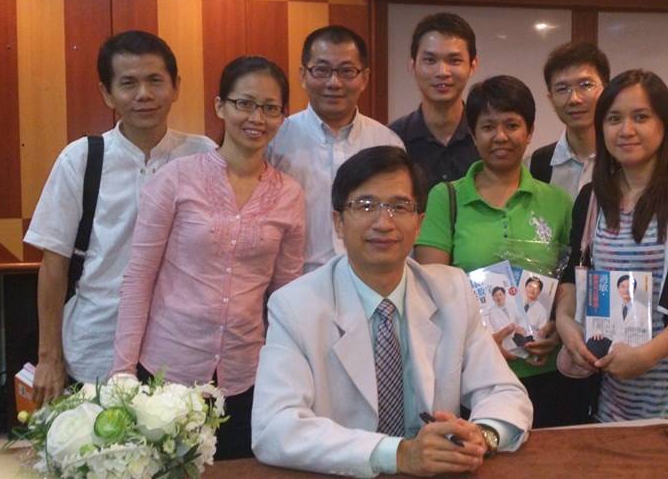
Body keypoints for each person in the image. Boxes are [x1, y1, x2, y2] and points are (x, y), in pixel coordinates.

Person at [251, 147, 532, 477]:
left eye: (399, 207)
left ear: (419, 223)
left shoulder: (452, 291)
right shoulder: (295, 306)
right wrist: (397, 454)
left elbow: (504, 391)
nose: (384, 223)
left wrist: (481, 436)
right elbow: (275, 425)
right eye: (365, 205)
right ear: (338, 222)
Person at [111, 56, 305, 459]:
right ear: (220, 106)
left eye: (270, 108)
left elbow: (287, 295)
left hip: (247, 376)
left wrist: (293, 373)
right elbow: (139, 278)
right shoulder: (176, 179)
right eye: (244, 103)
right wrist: (123, 372)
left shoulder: (290, 194)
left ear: (282, 117)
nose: (257, 118)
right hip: (168, 372)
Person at [24, 31, 216, 402]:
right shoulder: (81, 159)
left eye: (155, 80)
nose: (144, 94)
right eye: (128, 83)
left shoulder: (203, 155)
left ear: (175, 87)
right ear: (107, 94)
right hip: (97, 347)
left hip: (180, 352)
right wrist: (48, 356)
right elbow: (53, 265)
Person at [555, 69, 668, 444]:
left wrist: (650, 354)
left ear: (664, 124)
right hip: (611, 402)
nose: (626, 130)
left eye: (640, 117)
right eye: (614, 119)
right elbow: (575, 273)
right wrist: (565, 324)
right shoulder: (591, 198)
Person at [414, 75, 579, 428]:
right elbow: (430, 289)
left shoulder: (558, 202)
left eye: (512, 125)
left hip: (545, 372)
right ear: (473, 135)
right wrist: (479, 344)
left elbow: (570, 279)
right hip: (471, 376)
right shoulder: (446, 197)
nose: (500, 136)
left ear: (530, 131)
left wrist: (559, 329)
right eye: (488, 127)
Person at [268, 25, 404, 273]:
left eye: (347, 71)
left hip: (367, 280)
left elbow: (399, 217)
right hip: (295, 281)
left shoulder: (387, 143)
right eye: (321, 70)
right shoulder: (276, 140)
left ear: (365, 78)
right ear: (302, 75)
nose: (334, 82)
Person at [390, 12, 480, 190]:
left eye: (454, 60)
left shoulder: (486, 137)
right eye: (430, 60)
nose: (442, 72)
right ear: (412, 65)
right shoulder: (392, 139)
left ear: (472, 65)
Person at [526, 41, 610, 198]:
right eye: (562, 89)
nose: (574, 99)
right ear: (551, 99)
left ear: (606, 90)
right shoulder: (538, 164)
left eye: (585, 85)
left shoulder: (623, 157)